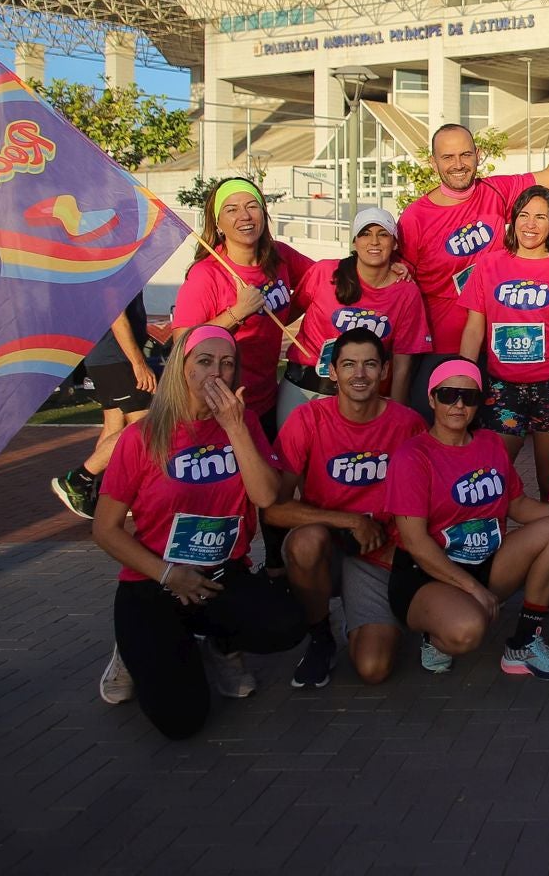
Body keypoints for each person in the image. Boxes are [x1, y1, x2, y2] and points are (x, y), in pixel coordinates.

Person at [89, 326, 304, 738]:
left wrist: (235, 428)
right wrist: (168, 574)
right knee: (181, 721)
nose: (216, 373)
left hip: (221, 575)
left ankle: (220, 644)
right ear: (181, 368)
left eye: (227, 364)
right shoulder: (141, 436)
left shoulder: (243, 423)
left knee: (287, 624)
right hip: (155, 580)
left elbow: (265, 497)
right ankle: (137, 648)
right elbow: (105, 529)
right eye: (204, 362)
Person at [385, 358, 549, 680]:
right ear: (431, 398)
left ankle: (524, 643)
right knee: (467, 631)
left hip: (487, 561)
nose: (459, 404)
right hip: (427, 573)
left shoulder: (490, 443)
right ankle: (433, 633)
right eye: (448, 395)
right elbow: (415, 542)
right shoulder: (412, 456)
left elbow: (518, 505)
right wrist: (472, 588)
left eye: (469, 396)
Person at [263, 328, 427, 688]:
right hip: (328, 547)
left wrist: (404, 548)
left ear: (385, 370)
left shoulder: (408, 424)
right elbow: (274, 508)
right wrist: (349, 520)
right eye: (349, 365)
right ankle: (320, 636)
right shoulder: (307, 419)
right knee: (305, 541)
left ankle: (385, 615)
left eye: (370, 364)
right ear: (332, 371)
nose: (360, 374)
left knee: (373, 668)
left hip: (380, 552)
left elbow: (426, 502)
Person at [397, 96, 549, 352]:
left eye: (465, 154)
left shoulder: (496, 190)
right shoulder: (415, 217)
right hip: (444, 348)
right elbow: (399, 279)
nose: (458, 164)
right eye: (448, 157)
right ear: (433, 163)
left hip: (501, 347)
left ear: (478, 156)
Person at [457, 184, 549, 499]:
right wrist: (463, 380)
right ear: (514, 219)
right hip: (501, 387)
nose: (530, 224)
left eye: (540, 217)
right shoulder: (488, 266)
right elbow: (474, 329)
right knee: (492, 478)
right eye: (524, 215)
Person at [172, 178, 313, 439]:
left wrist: (387, 265)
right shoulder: (206, 274)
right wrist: (238, 312)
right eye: (232, 209)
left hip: (268, 399)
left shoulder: (279, 255)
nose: (245, 216)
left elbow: (322, 279)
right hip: (221, 406)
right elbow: (183, 341)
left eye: (252, 206)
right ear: (218, 223)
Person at [283, 207, 430, 419]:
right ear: (354, 242)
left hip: (364, 396)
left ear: (395, 243)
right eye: (365, 234)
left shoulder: (407, 292)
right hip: (306, 386)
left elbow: (402, 366)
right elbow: (286, 315)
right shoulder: (324, 273)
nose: (374, 241)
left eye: (383, 234)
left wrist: (396, 417)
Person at [50, 296, 156, 519]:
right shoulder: (116, 274)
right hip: (116, 358)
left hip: (106, 357)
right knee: (144, 427)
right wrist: (138, 363)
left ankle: (105, 494)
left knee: (114, 426)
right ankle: (78, 480)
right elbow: (115, 316)